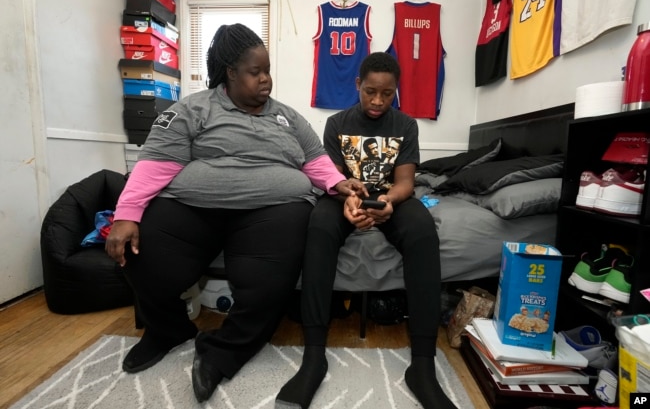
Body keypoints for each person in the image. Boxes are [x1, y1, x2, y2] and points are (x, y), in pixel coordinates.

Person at [105, 23, 365, 403]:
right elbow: (155, 163)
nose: (266, 80)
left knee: (268, 283)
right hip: (193, 207)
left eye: (268, 70)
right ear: (230, 72)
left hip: (271, 212)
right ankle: (167, 330)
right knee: (136, 252)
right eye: (255, 72)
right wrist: (126, 214)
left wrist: (340, 184)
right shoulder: (194, 108)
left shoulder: (288, 118)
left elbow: (316, 160)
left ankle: (224, 352)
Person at [275, 52, 458, 409]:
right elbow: (335, 178)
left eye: (387, 94)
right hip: (347, 195)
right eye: (370, 91)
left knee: (423, 232)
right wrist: (348, 199)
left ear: (396, 91)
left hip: (391, 199)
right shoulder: (336, 123)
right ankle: (314, 356)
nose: (377, 101)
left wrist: (387, 201)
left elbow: (406, 182)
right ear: (358, 85)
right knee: (320, 226)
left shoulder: (405, 125)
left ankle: (422, 365)